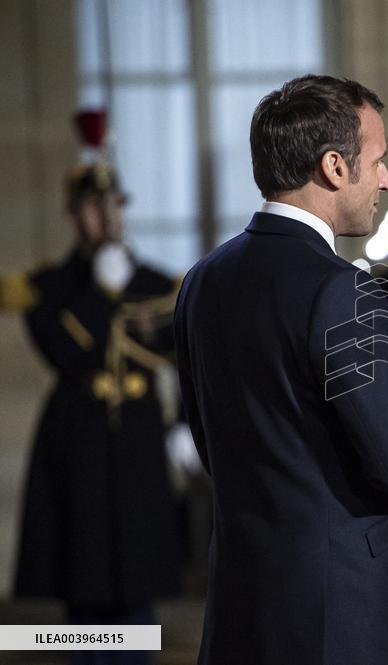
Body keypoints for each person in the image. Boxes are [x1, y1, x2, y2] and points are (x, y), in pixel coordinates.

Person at [173, 75, 388, 665]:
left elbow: (212, 443)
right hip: (335, 617)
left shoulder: (203, 279)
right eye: (378, 161)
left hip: (239, 604)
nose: (385, 180)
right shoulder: (340, 290)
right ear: (335, 166)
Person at [1, 110, 181, 665]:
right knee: (84, 583)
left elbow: (174, 349)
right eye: (91, 208)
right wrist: (102, 294)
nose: (105, 216)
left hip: (137, 442)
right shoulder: (47, 288)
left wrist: (184, 428)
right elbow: (65, 352)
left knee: (138, 588)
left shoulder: (158, 285)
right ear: (73, 216)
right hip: (77, 442)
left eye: (112, 205)